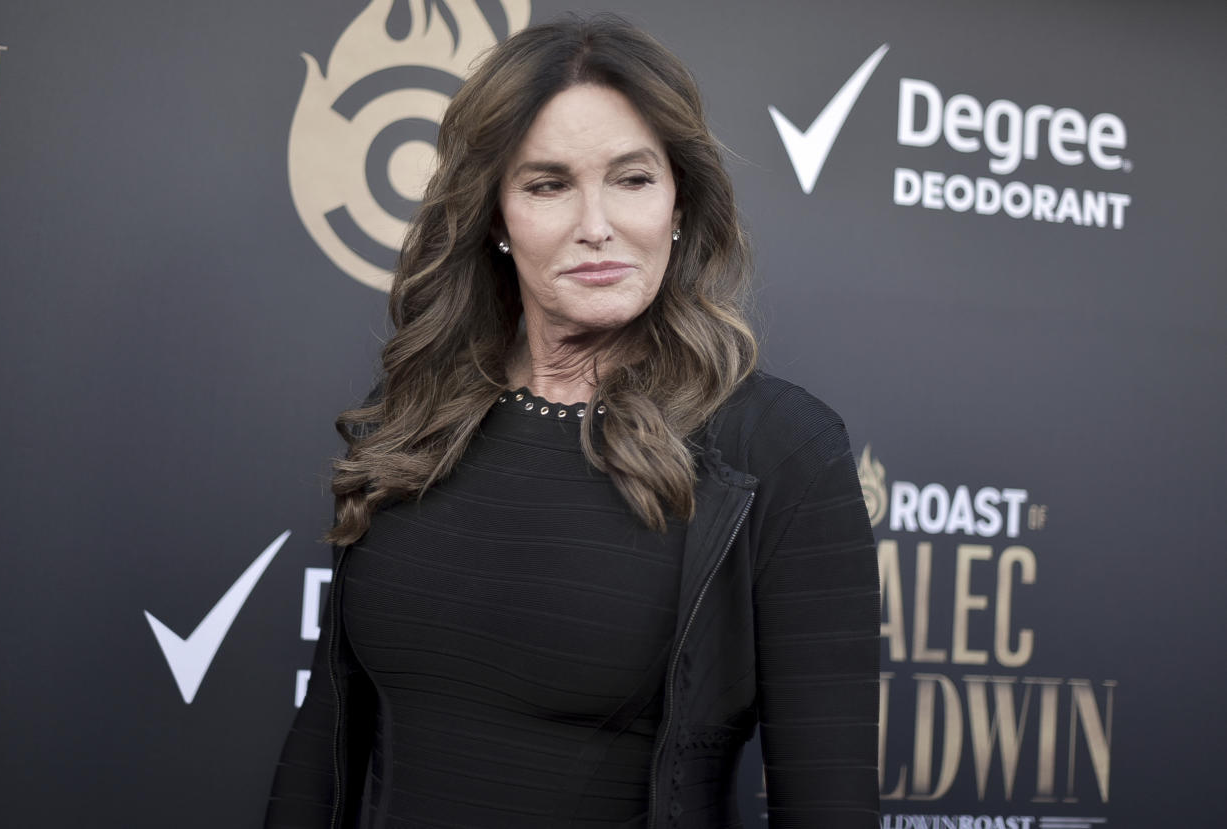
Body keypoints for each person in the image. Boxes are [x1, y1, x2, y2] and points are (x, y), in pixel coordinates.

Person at [266, 16, 879, 829]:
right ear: (494, 216)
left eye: (632, 179)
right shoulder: (419, 417)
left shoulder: (781, 450)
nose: (597, 225)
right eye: (548, 184)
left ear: (679, 202)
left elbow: (828, 804)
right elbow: (323, 744)